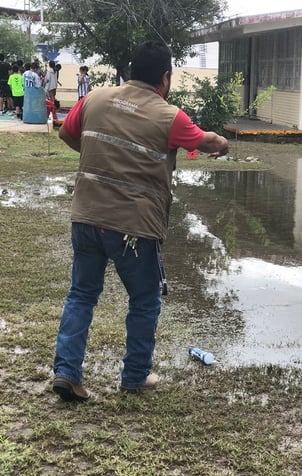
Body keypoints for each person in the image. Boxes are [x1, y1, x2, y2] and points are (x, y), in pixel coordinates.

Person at [53, 40, 228, 402]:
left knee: (82, 294)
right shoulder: (169, 117)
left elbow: (68, 134)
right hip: (134, 229)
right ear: (166, 77)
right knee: (145, 300)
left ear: (132, 70)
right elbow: (205, 141)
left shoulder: (94, 99)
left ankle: (66, 372)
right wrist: (221, 142)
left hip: (85, 217)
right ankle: (135, 376)